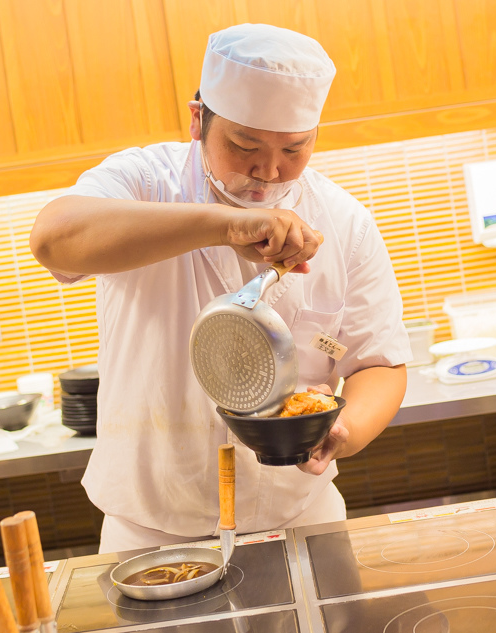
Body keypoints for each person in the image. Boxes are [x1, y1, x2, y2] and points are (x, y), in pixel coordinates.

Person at [30, 23, 411, 553]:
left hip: (302, 518)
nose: (269, 169)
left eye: (294, 149)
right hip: (151, 532)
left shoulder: (343, 221)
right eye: (244, 144)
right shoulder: (144, 182)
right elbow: (53, 240)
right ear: (197, 120)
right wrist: (223, 226)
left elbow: (378, 362)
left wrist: (349, 429)